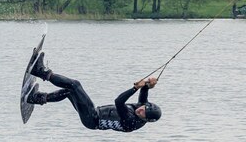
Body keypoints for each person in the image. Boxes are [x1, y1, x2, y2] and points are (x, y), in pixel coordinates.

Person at [25, 51, 161, 132]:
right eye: (144, 108)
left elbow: (119, 102)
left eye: (143, 113)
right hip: (93, 113)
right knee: (69, 91)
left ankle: (40, 71)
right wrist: (148, 85)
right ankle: (37, 98)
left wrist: (134, 88)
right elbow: (143, 97)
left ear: (146, 120)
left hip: (92, 118)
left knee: (74, 85)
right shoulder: (142, 109)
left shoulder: (132, 122)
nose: (140, 110)